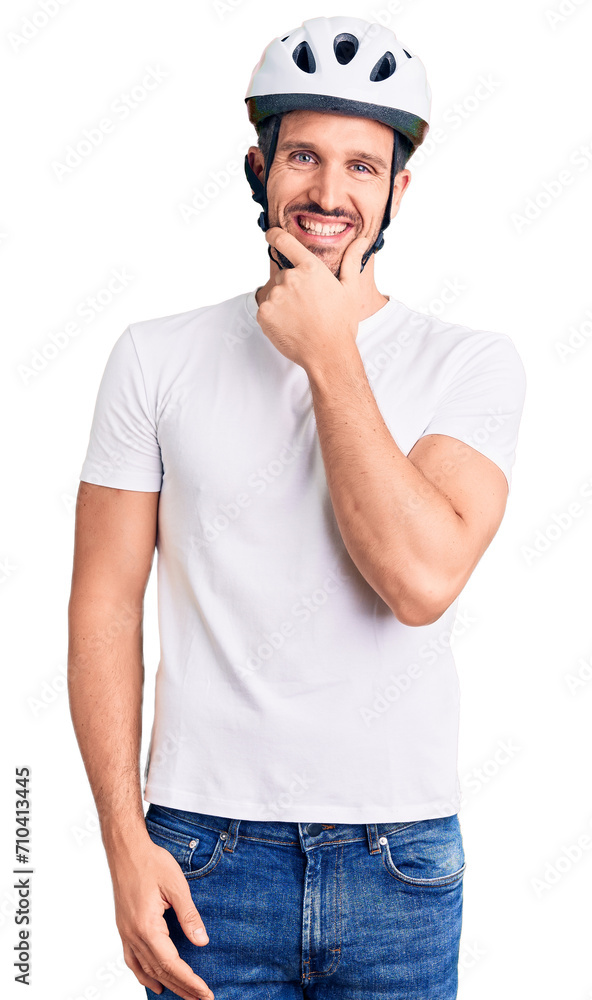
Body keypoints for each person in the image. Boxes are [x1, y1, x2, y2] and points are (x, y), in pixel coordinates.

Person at [68, 15, 527, 1000]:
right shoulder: (154, 356)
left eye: (363, 166)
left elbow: (419, 579)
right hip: (200, 850)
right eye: (305, 157)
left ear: (398, 189)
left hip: (396, 860)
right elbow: (103, 603)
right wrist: (121, 842)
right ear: (258, 167)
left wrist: (327, 353)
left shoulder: (471, 365)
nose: (329, 193)